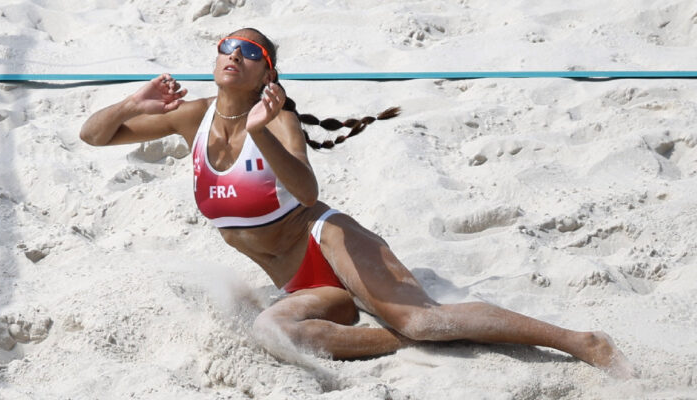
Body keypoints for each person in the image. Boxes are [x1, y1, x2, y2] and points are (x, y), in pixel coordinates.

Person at [80, 28, 634, 378]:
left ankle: (581, 342)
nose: (235, 55)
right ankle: (391, 339)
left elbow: (308, 191)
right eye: (228, 46)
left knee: (423, 320)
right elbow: (94, 136)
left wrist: (262, 132)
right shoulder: (188, 116)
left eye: (251, 51)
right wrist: (133, 100)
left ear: (265, 72)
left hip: (327, 240)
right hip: (303, 283)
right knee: (278, 333)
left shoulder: (279, 118)